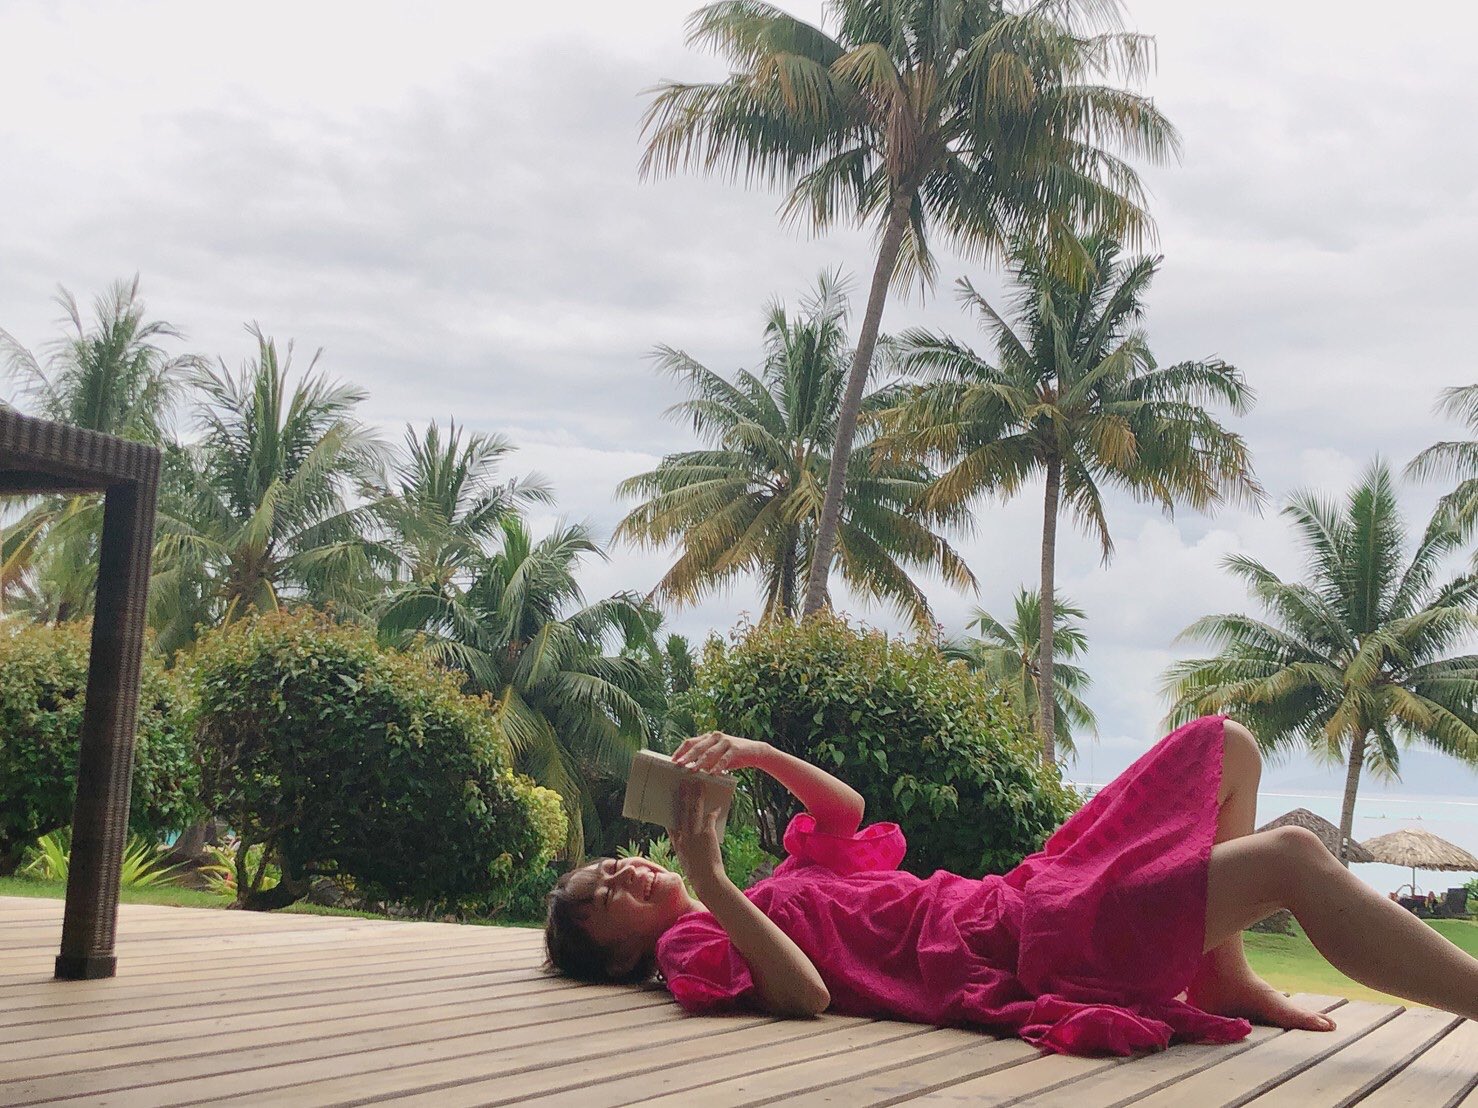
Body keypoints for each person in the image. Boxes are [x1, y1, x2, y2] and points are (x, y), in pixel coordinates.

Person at [543, 716, 1478, 1057]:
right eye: (606, 893)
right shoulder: (697, 945)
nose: (624, 870)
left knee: (1226, 745)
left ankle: (1222, 972)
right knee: (1291, 859)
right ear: (620, 956)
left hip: (1019, 897)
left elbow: (845, 809)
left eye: (613, 862)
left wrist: (752, 753)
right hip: (1026, 945)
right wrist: (709, 880)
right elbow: (806, 994)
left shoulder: (773, 883)